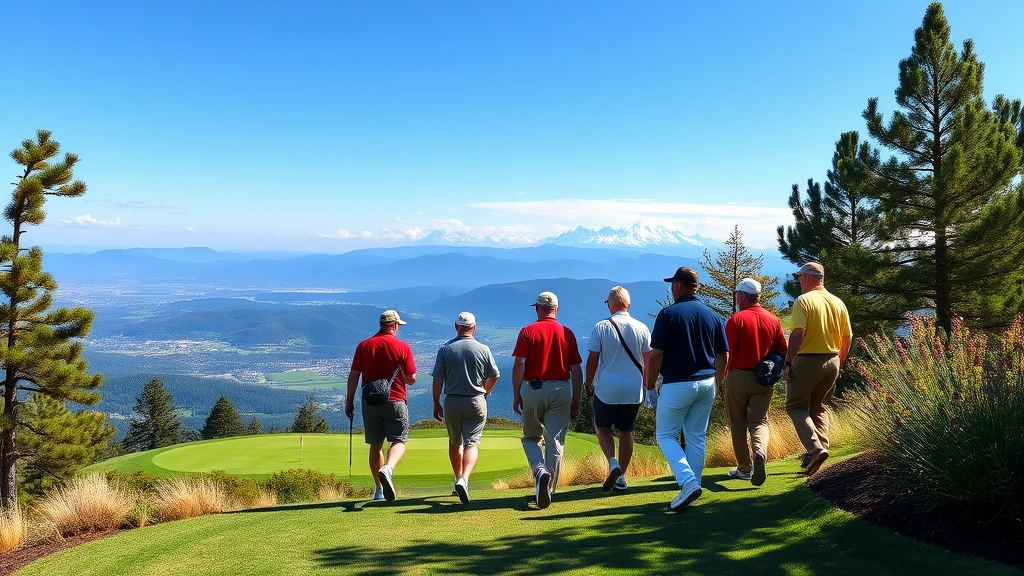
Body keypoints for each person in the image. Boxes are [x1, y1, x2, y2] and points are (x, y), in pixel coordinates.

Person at [647, 267, 728, 512]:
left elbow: (657, 354)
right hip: (707, 382)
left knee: (666, 436)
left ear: (678, 287)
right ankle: (693, 485)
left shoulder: (668, 314)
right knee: (696, 437)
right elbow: (723, 353)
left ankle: (688, 481)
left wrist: (650, 386)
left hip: (677, 383)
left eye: (673, 284)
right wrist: (718, 382)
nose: (672, 288)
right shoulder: (713, 316)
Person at [512, 291, 583, 509]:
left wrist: (517, 394)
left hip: (534, 388)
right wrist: (577, 399)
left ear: (538, 309)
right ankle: (549, 489)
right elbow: (576, 369)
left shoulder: (527, 331)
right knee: (555, 442)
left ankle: (540, 471)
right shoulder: (567, 333)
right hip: (562, 388)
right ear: (556, 309)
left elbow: (519, 364)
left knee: (530, 438)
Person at [783, 262, 852, 477]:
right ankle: (821, 453)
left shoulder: (803, 301)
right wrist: (839, 361)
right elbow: (847, 337)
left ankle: (814, 449)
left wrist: (787, 362)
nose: (799, 282)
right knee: (819, 407)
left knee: (795, 406)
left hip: (807, 360)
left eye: (799, 278)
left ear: (805, 277)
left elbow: (797, 335)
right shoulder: (838, 302)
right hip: (832, 360)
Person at [584, 286, 652, 492]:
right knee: (626, 431)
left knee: (603, 428)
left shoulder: (601, 327)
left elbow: (592, 360)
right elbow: (647, 361)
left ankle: (612, 463)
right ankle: (622, 476)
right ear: (628, 304)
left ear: (610, 305)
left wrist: (589, 385)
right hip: (633, 389)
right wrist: (648, 389)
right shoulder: (642, 327)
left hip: (607, 388)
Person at [345, 310, 417, 501]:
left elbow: (354, 375)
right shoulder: (402, 347)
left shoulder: (364, 345)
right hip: (395, 399)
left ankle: (378, 490)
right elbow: (411, 379)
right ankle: (388, 468)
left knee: (375, 445)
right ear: (394, 326)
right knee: (399, 440)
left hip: (369, 401)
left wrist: (349, 401)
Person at [431, 312, 500, 504]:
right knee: (472, 443)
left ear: (456, 327)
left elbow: (438, 379)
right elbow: (495, 375)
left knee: (455, 442)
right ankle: (465, 479)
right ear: (474, 327)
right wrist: (485, 391)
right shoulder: (484, 349)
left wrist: (436, 402)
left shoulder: (445, 349)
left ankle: (457, 477)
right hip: (476, 401)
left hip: (452, 401)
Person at [723, 278, 787, 487]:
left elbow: (728, 353)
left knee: (738, 423)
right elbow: (782, 349)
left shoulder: (736, 320)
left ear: (742, 296)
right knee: (759, 420)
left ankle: (744, 468)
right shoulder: (773, 320)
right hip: (764, 379)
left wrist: (722, 375)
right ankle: (760, 451)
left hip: (739, 377)